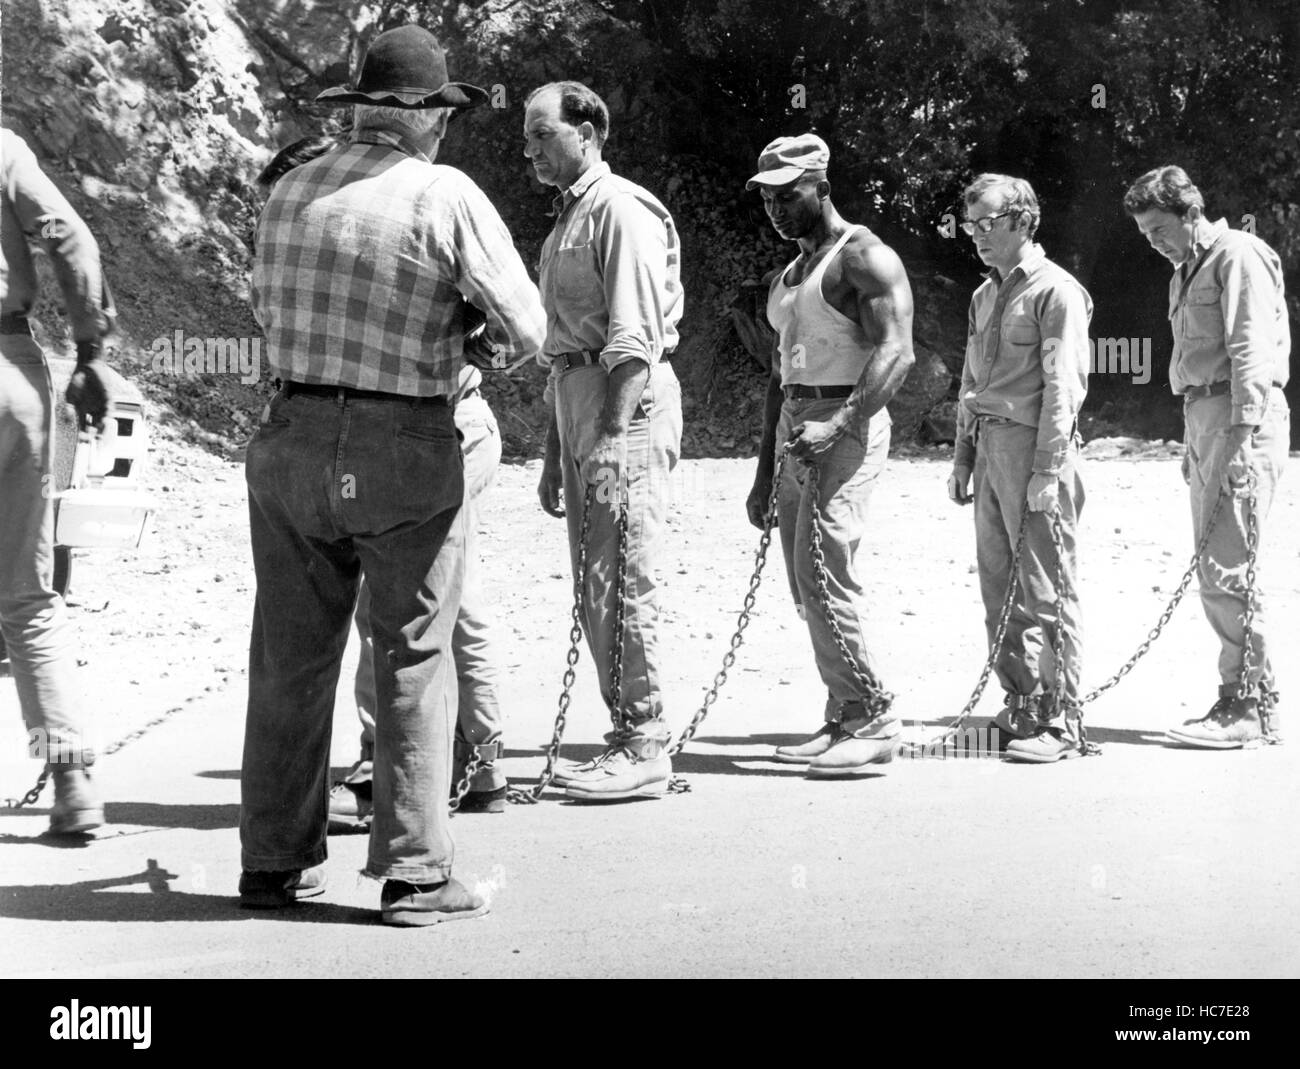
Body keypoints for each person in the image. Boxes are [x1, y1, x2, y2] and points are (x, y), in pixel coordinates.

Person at [242, 25, 545, 924]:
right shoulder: (441, 192)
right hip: (404, 439)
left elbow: (265, 308)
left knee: (290, 660)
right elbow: (527, 328)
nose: (445, 131)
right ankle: (414, 870)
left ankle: (273, 861)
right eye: (441, 114)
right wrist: (470, 337)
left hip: (292, 434)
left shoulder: (288, 188)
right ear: (418, 116)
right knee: (411, 650)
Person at [254, 135, 509, 822]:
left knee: (402, 618)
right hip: (422, 431)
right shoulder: (408, 206)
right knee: (430, 610)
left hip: (438, 426)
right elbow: (513, 329)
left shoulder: (338, 220)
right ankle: (453, 786)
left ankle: (430, 766)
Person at [524, 81, 684, 800]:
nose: (530, 149)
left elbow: (634, 337)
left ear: (587, 132)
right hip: (581, 398)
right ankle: (627, 730)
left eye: (542, 133)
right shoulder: (569, 219)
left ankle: (644, 740)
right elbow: (565, 347)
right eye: (526, 137)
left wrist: (614, 438)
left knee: (625, 570)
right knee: (597, 577)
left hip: (625, 400)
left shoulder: (621, 210)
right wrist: (558, 451)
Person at [744, 134, 915, 776]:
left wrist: (840, 424)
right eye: (767, 199)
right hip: (797, 417)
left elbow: (897, 351)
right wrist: (763, 475)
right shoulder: (790, 274)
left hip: (846, 417)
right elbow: (777, 374)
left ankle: (874, 715)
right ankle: (844, 710)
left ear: (821, 184)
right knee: (802, 577)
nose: (777, 209)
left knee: (826, 569)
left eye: (789, 195)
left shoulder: (863, 257)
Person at [1123, 166, 1289, 748]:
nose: (1153, 241)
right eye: (1144, 234)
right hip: (1206, 419)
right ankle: (1250, 701)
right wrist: (1197, 440)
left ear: (1191, 212)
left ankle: (1244, 706)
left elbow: (1251, 350)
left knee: (1227, 565)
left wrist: (1240, 434)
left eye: (1159, 228)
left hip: (1237, 420)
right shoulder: (1186, 269)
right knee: (1219, 564)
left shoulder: (1236, 255)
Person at [948, 174, 1091, 763]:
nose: (976, 235)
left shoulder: (1056, 292)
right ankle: (1022, 706)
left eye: (988, 223)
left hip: (1035, 449)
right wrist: (962, 457)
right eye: (970, 224)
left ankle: (1063, 718)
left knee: (1047, 587)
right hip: (990, 450)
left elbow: (1064, 388)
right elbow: (970, 381)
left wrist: (1047, 471)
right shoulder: (985, 295)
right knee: (999, 586)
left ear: (1023, 221)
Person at [1, 128, 116, 834]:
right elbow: (70, 237)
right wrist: (90, 351)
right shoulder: (1, 148)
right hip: (10, 377)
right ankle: (73, 780)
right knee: (26, 596)